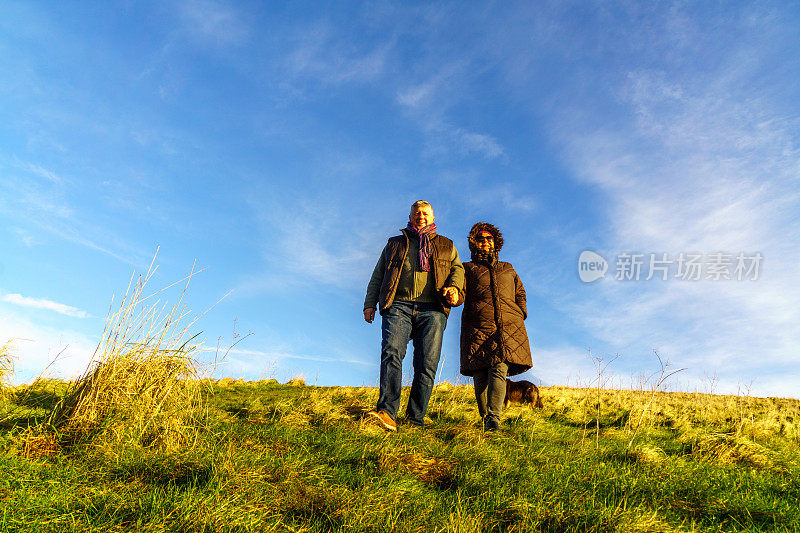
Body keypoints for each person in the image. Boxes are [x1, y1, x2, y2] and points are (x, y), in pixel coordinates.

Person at [363, 201, 465, 431]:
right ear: (410, 216)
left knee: (427, 363)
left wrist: (455, 288)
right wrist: (370, 303)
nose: (421, 216)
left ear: (433, 217)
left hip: (433, 309)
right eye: (417, 213)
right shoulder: (395, 243)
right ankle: (387, 412)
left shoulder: (447, 245)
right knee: (391, 354)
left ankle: (414, 419)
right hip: (398, 305)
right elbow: (378, 274)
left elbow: (458, 271)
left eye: (425, 213)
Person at [457, 222, 532, 431]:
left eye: (489, 239)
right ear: (474, 243)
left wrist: (520, 312)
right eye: (481, 239)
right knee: (480, 374)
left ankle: (493, 419)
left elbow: (521, 292)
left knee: (499, 368)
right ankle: (485, 420)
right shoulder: (467, 268)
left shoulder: (507, 267)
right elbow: (460, 293)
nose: (485, 242)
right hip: (477, 326)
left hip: (507, 327)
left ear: (495, 242)